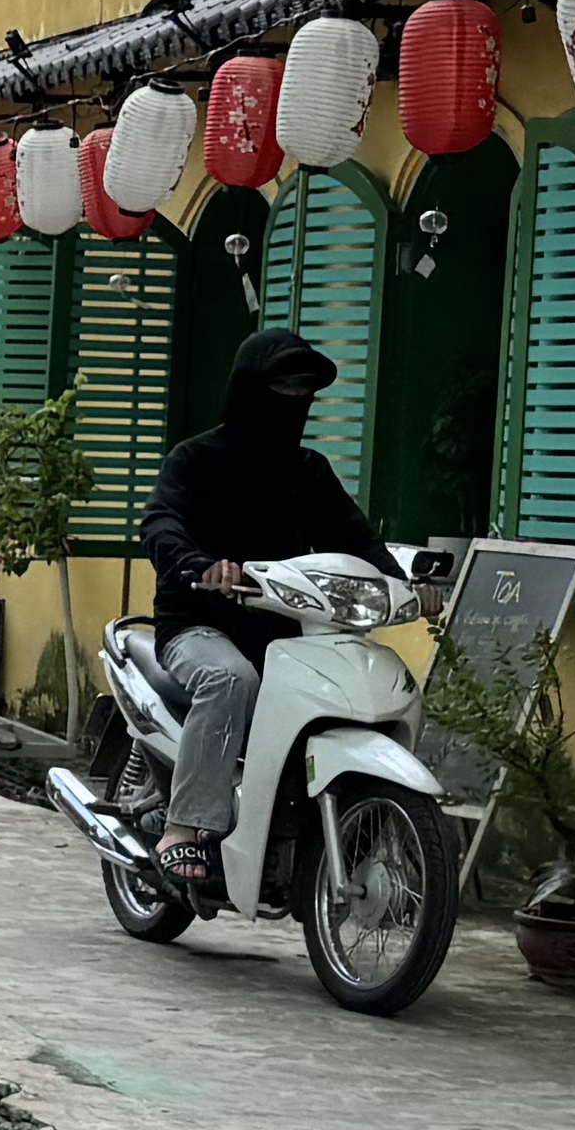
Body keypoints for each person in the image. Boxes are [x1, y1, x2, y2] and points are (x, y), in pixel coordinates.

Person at [135, 322, 394, 895]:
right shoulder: (195, 459)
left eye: (306, 389)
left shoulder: (309, 472)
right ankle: (184, 825)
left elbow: (357, 538)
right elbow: (159, 521)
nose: (297, 401)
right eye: (285, 387)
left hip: (285, 630)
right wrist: (199, 563)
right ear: (250, 389)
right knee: (231, 679)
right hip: (197, 624)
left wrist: (402, 580)